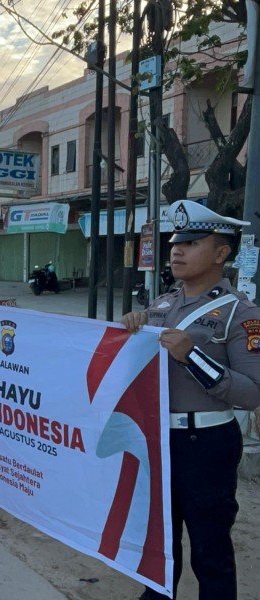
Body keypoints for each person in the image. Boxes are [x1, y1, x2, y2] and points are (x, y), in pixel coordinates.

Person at [121, 200, 260, 600]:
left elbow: (252, 392)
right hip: (157, 441)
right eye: (175, 242)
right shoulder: (162, 305)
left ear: (222, 253)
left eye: (194, 242)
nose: (178, 250)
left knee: (210, 550)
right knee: (159, 544)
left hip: (207, 446)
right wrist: (131, 327)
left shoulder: (242, 314)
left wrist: (192, 357)